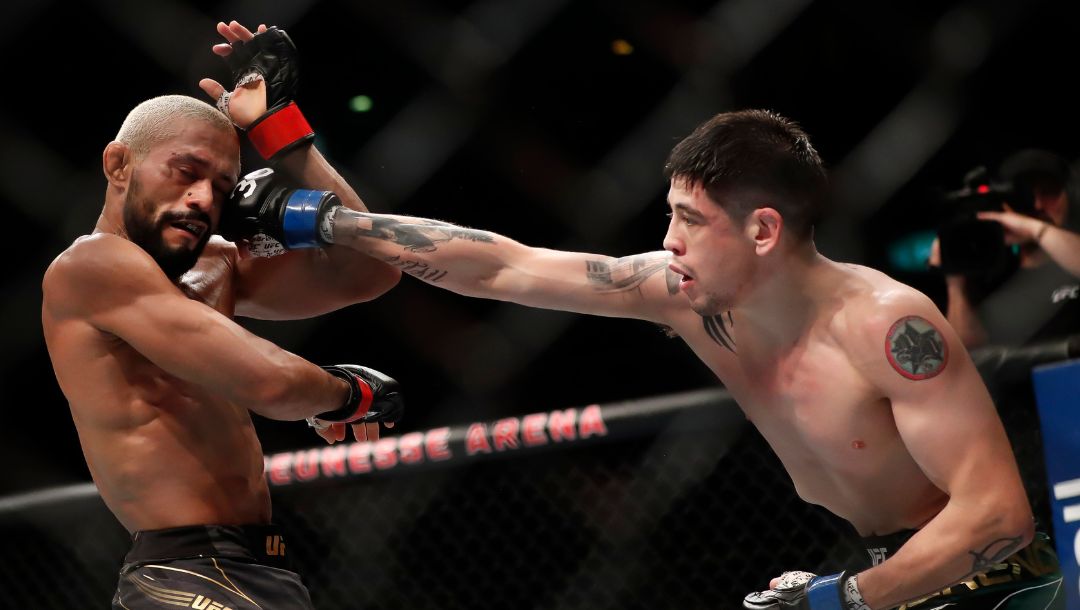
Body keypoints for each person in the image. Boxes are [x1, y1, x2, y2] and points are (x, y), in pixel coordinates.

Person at [242, 109, 1064, 609]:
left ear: (763, 230)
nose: (667, 242)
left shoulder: (886, 326)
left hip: (1003, 586)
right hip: (885, 574)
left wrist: (839, 599)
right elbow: (502, 264)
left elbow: (997, 517)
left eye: (688, 220)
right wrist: (326, 220)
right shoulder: (681, 292)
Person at [41, 21, 404, 609]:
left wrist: (282, 132)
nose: (204, 200)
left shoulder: (215, 265)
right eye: (186, 172)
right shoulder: (89, 268)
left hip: (255, 569)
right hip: (184, 574)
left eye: (223, 186)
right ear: (118, 165)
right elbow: (271, 383)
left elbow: (371, 269)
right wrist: (349, 393)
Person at [931, 149, 1080, 348]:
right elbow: (970, 353)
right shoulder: (992, 270)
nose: (1038, 205)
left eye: (1049, 192)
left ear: (1067, 196)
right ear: (1006, 202)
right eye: (1025, 196)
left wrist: (1033, 228)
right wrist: (955, 283)